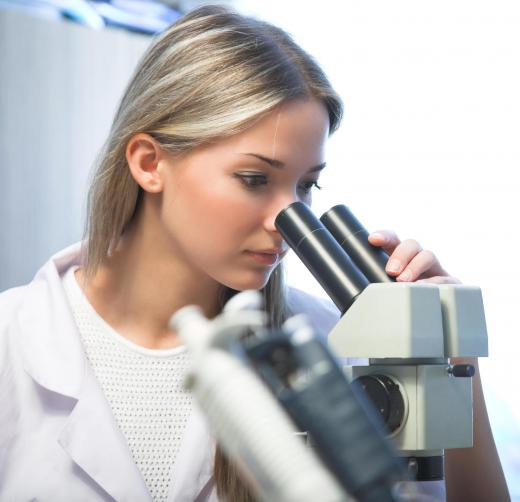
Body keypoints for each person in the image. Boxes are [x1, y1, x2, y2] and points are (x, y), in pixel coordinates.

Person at [0, 5, 509, 502]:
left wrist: (452, 362)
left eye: (306, 186)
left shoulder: (336, 348)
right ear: (149, 163)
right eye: (255, 179)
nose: (286, 222)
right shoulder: (11, 345)